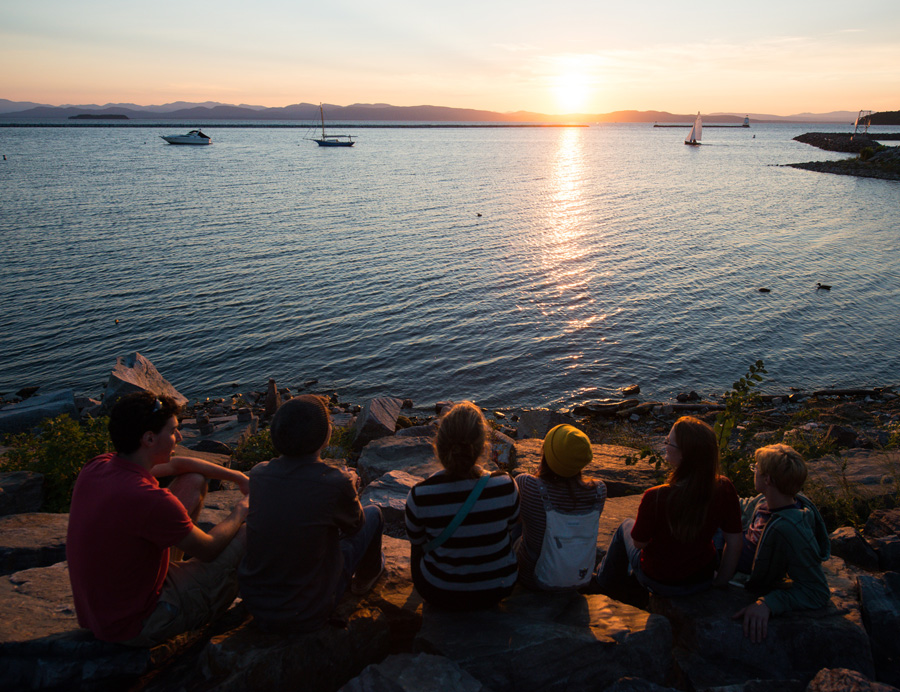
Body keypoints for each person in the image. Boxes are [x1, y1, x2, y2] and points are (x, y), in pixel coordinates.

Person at [66, 392, 251, 646]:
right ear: (149, 438)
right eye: (174, 431)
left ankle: (177, 569)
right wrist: (242, 509)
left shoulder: (98, 466)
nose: (180, 437)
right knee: (250, 531)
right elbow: (208, 548)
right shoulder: (147, 499)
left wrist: (237, 477)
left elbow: (178, 467)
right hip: (140, 622)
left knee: (193, 480)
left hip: (105, 611)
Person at [238, 395, 384, 633]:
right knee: (375, 514)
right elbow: (355, 526)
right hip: (308, 611)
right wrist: (352, 488)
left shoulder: (258, 474)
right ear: (325, 436)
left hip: (257, 605)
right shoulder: (335, 482)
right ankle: (366, 577)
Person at [594, 416, 743, 598]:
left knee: (624, 526)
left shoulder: (656, 496)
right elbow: (734, 543)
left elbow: (639, 543)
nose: (665, 445)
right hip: (701, 579)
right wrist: (720, 582)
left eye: (669, 442)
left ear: (684, 454)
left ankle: (604, 583)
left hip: (658, 581)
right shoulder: (724, 487)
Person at [405, 401, 519, 609]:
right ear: (483, 447)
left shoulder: (420, 495)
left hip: (438, 592)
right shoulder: (506, 486)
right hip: (499, 587)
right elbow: (511, 529)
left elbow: (418, 543)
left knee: (418, 543)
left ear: (438, 447)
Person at [731, 444, 831, 643]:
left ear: (767, 479)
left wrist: (768, 603)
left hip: (736, 571)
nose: (754, 471)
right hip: (733, 544)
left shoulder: (790, 529)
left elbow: (817, 591)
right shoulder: (767, 501)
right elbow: (744, 506)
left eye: (756, 468)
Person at [514, 424, 607, 590]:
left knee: (516, 522)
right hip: (578, 578)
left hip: (532, 578)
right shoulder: (599, 491)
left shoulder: (527, 484)